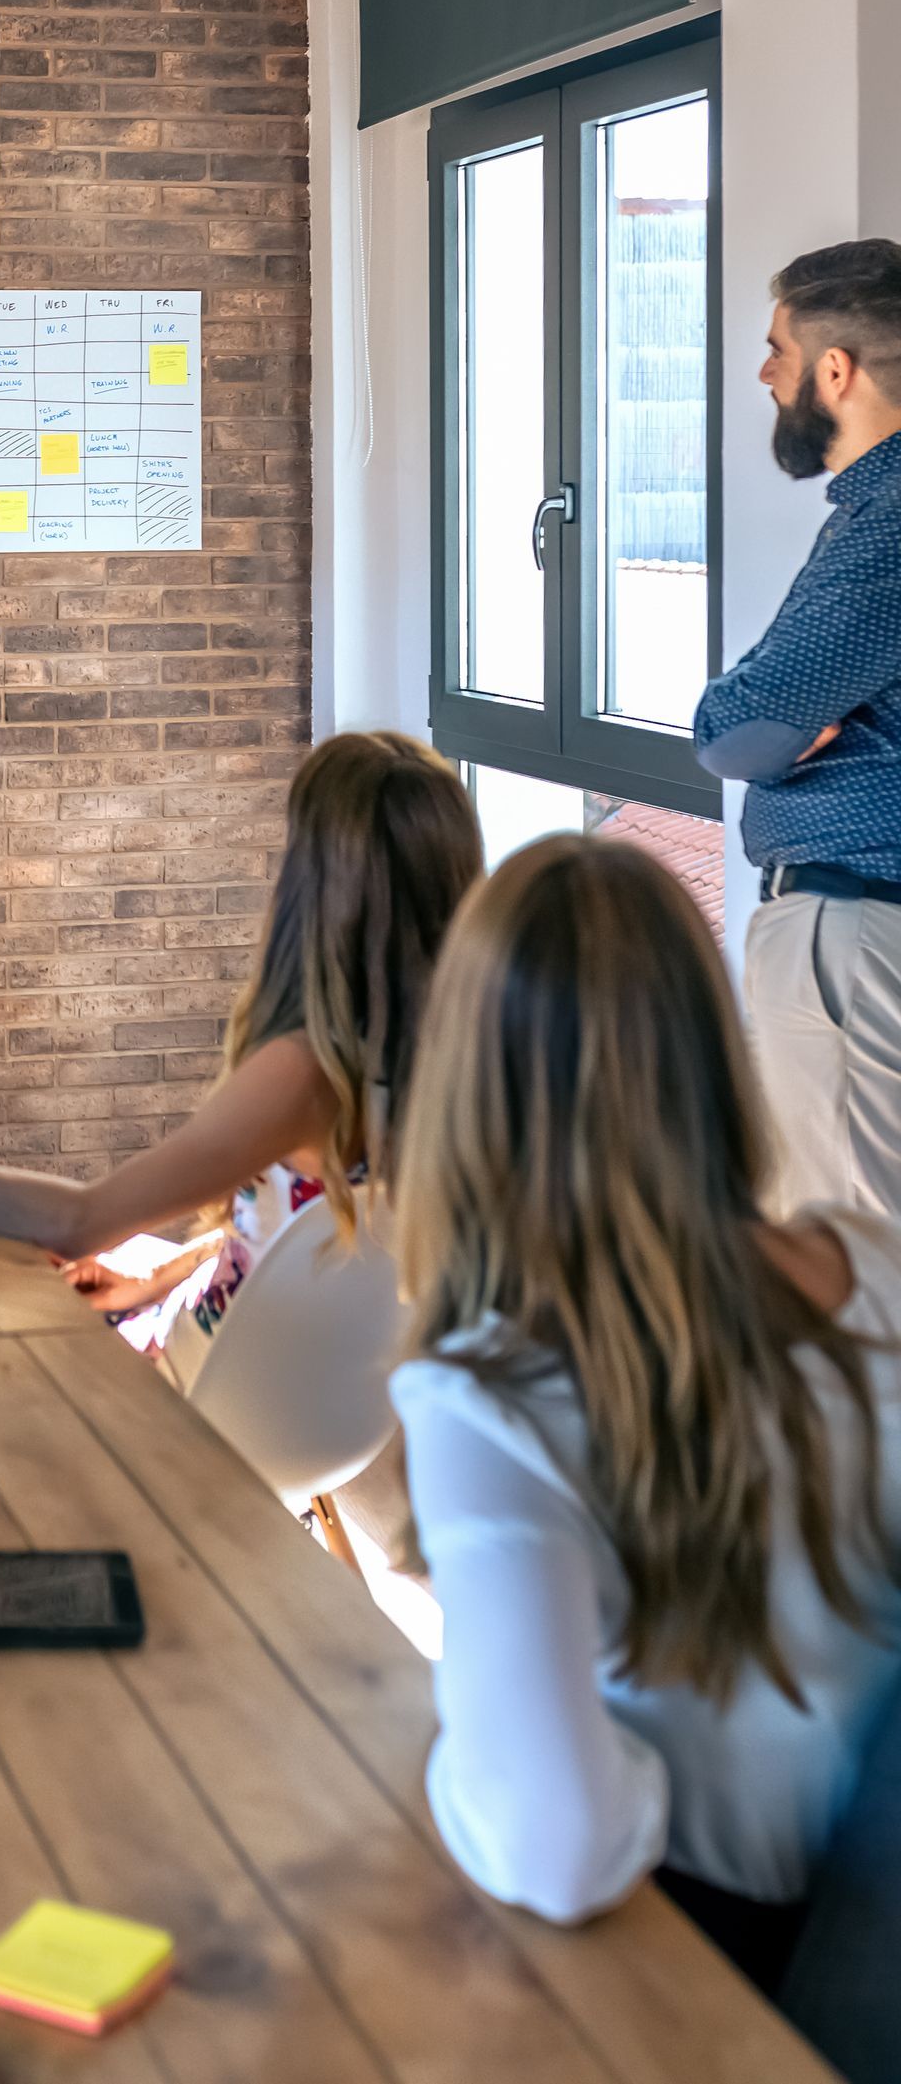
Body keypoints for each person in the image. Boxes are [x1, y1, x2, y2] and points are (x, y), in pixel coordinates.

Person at [393, 836, 901, 1986]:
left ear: (470, 1081)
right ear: (713, 1049)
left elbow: (558, 1844)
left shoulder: (491, 1394)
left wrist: (477, 1754)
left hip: (728, 1971)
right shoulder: (880, 1264)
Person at [0, 732, 483, 1366]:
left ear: (317, 885)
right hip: (286, 1402)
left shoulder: (304, 1074)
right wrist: (156, 1277)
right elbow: (300, 1236)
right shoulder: (460, 1066)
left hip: (184, 1401)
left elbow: (78, 1222)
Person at [694, 239, 901, 1214]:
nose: (764, 372)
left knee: (849, 1255)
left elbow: (737, 728)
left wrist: (768, 723)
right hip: (855, 925)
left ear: (835, 370)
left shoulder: (890, 524)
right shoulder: (867, 511)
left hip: (854, 932)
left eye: (778, 347)